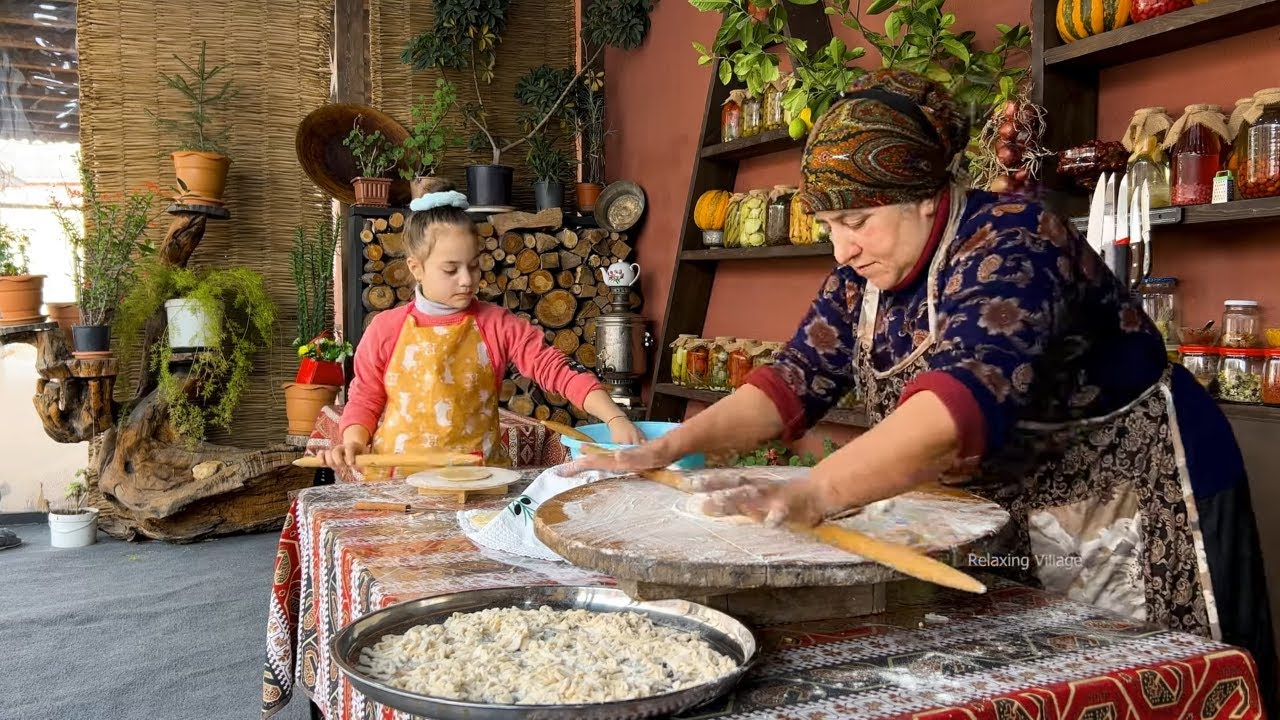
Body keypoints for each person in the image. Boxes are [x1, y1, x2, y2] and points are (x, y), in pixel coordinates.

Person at [568, 69, 1277, 707]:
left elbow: (956, 403)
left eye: (856, 221)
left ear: (925, 197)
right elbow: (789, 382)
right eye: (829, 224)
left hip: (1138, 494)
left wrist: (809, 493)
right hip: (1027, 507)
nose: (841, 248)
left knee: (1144, 684)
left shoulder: (1014, 240)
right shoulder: (860, 279)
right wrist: (669, 449)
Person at [325, 189, 643, 478]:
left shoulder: (496, 324)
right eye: (451, 270)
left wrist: (614, 418)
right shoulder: (385, 328)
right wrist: (353, 440)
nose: (466, 280)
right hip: (398, 485)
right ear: (415, 267)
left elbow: (555, 369)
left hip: (480, 481)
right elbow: (365, 396)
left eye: (474, 266)